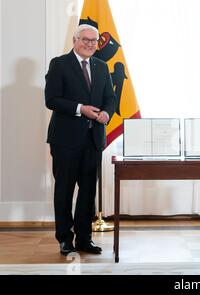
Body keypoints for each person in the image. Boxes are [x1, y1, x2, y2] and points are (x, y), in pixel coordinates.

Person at [45, 24, 117, 255]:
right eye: (85, 39)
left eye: (94, 41)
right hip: (65, 140)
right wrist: (80, 108)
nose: (90, 44)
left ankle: (84, 239)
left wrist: (106, 112)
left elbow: (110, 98)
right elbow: (52, 99)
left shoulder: (101, 66)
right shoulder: (59, 64)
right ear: (75, 40)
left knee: (88, 192)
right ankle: (65, 239)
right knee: (64, 191)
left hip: (93, 139)